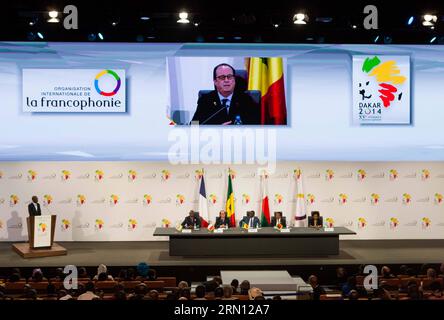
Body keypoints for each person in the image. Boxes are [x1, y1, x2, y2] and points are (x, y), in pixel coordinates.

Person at [191, 63, 260, 125]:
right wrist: (218, 131)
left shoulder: (246, 100)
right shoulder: (206, 100)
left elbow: (255, 126)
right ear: (215, 81)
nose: (226, 80)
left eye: (229, 76)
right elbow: (194, 125)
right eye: (222, 77)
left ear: (234, 80)